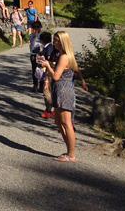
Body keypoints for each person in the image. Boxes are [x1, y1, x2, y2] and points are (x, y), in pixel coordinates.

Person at [38, 31, 88, 162]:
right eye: (54, 40)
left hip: (64, 91)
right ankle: (68, 151)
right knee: (59, 122)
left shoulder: (64, 56)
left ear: (63, 41)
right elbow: (75, 69)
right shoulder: (65, 55)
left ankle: (71, 154)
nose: (55, 42)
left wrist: (48, 66)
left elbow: (56, 76)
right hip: (60, 90)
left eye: (57, 40)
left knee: (66, 123)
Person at [38, 32, 55, 119]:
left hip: (49, 72)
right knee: (47, 91)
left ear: (42, 40)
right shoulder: (47, 47)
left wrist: (42, 60)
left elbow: (49, 60)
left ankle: (49, 110)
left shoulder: (49, 48)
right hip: (47, 72)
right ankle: (49, 109)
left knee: (46, 91)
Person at [29, 21, 43, 92]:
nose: (33, 30)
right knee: (34, 70)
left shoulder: (42, 36)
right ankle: (35, 85)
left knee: (41, 70)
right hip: (33, 55)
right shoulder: (31, 35)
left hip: (41, 55)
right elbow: (31, 45)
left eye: (34, 28)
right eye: (32, 28)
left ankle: (41, 86)